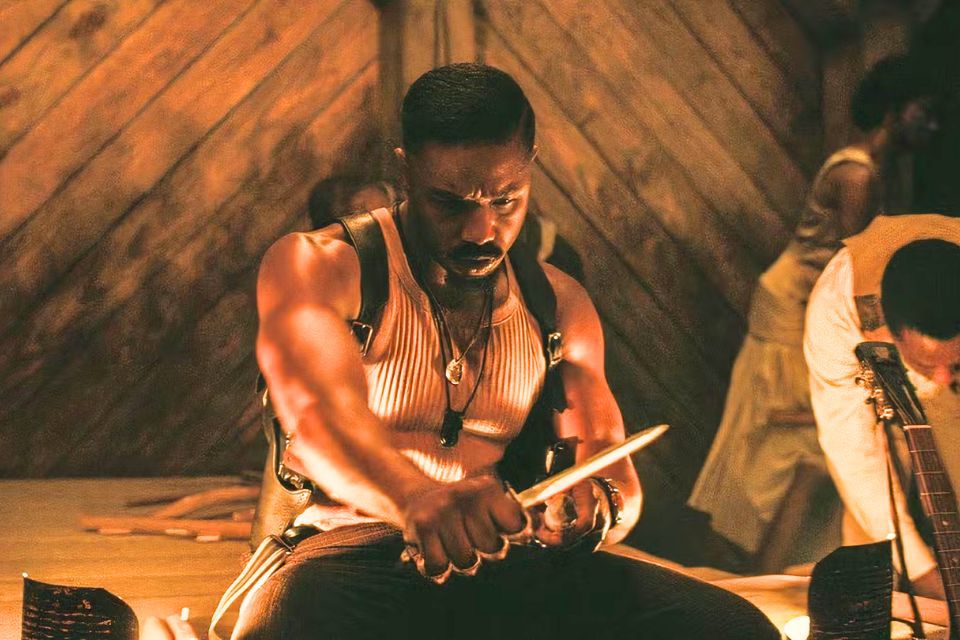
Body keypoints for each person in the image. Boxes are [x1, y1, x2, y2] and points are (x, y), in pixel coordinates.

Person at [230, 63, 778, 639]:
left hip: (501, 557)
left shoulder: (557, 304)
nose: (481, 231)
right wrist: (415, 499)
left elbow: (610, 466)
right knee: (295, 614)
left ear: (530, 165)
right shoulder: (319, 265)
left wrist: (591, 508)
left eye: (505, 199)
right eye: (450, 203)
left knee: (732, 628)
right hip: (349, 555)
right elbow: (320, 416)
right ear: (406, 171)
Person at [688, 55, 939, 561]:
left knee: (801, 454)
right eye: (923, 111)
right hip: (793, 309)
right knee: (781, 450)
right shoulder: (857, 176)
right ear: (894, 111)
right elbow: (858, 269)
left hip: (802, 302)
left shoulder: (875, 171)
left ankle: (762, 567)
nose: (931, 125)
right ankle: (743, 570)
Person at [805, 218, 960, 600]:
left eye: (956, 364)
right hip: (887, 416)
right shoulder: (837, 310)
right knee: (879, 563)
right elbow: (853, 449)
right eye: (927, 364)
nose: (942, 378)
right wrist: (920, 570)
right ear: (892, 332)